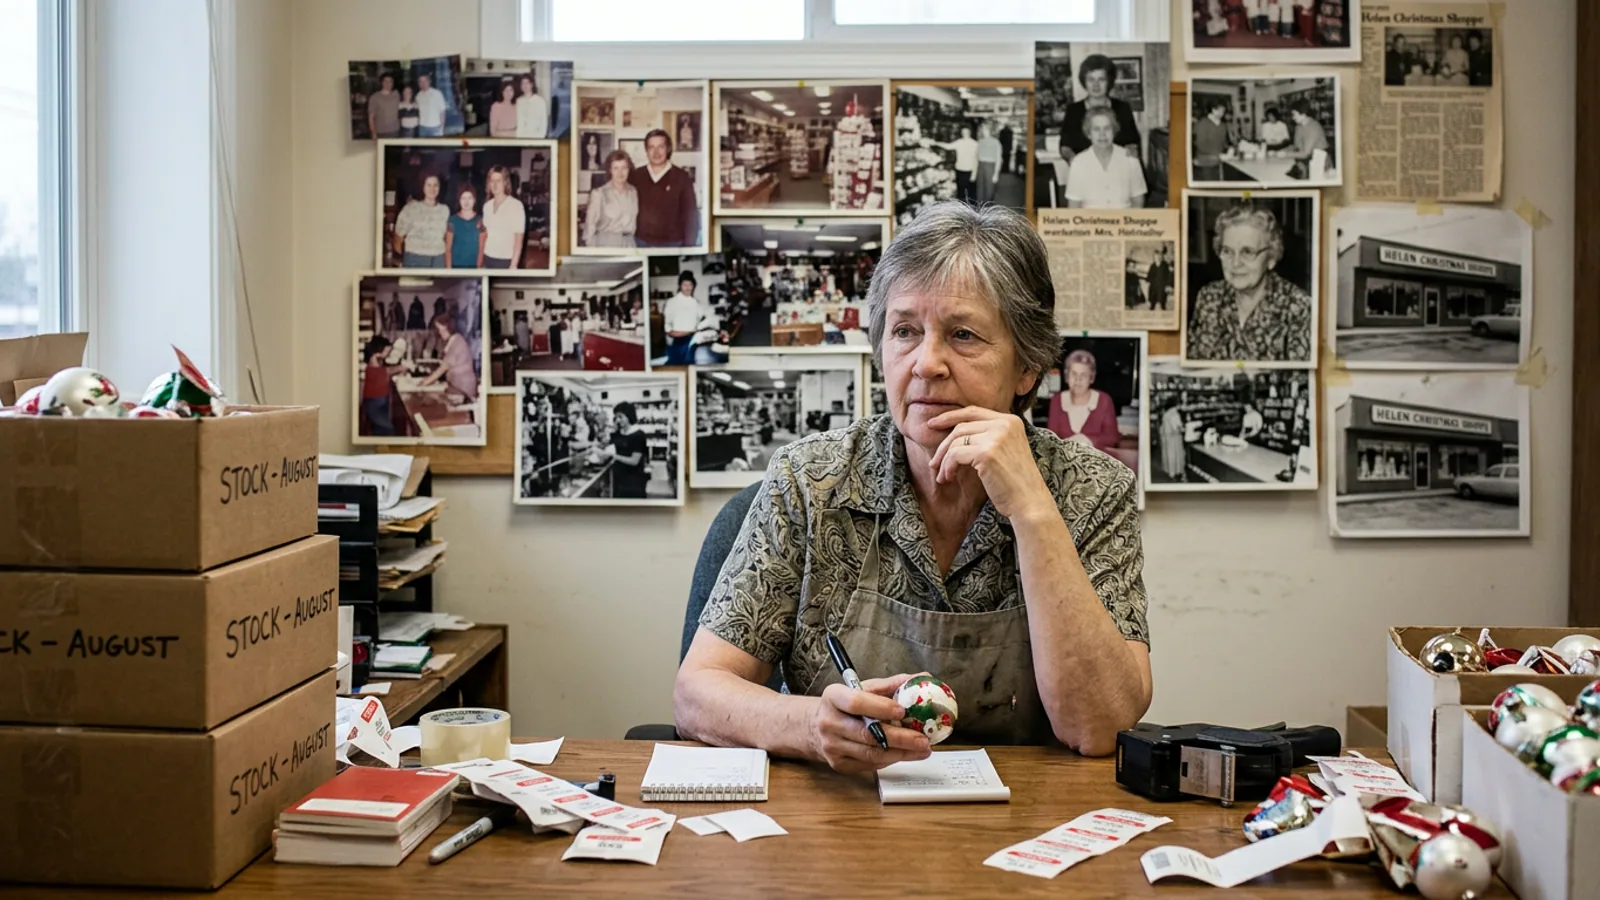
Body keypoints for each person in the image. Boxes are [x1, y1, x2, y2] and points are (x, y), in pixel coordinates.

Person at [673, 201, 1151, 767]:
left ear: (1027, 367)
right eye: (905, 331)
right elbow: (697, 694)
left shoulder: (1093, 490)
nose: (926, 363)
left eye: (964, 335)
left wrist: (1033, 511)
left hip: (1026, 825)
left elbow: (1100, 726)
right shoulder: (810, 482)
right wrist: (809, 726)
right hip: (841, 821)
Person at [1186, 203, 1313, 363]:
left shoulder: (1299, 307)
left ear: (1271, 258)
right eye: (1227, 251)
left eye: (1248, 252)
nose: (1236, 263)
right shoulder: (1208, 297)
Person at [1060, 55, 1141, 160]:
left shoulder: (1123, 109)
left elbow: (1132, 143)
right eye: (1091, 79)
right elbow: (1065, 147)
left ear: (1109, 82)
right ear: (1084, 82)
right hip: (1085, 169)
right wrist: (1076, 163)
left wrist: (1130, 154)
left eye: (1101, 79)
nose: (1096, 85)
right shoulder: (1073, 111)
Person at [1047, 349, 1122, 461]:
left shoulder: (1104, 400)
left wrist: (1088, 440)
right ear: (1067, 376)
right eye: (1074, 374)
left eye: (1084, 375)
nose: (1078, 379)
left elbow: (1113, 437)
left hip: (1099, 465)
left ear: (1091, 378)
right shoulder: (1057, 400)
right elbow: (1050, 439)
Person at [629, 129, 700, 248]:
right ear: (646, 150)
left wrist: (689, 246)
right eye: (651, 147)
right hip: (641, 242)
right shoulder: (636, 176)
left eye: (660, 147)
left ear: (668, 149)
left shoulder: (682, 177)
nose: (656, 152)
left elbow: (690, 215)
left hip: (672, 244)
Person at [1065, 108, 1147, 209]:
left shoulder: (1130, 159)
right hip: (1090, 222)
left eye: (1107, 128)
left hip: (1124, 222)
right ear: (1089, 134)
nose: (1102, 134)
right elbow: (1074, 207)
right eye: (1096, 129)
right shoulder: (1078, 163)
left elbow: (1138, 202)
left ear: (1114, 131)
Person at [584, 150, 639, 249]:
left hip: (629, 244)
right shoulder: (599, 193)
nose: (620, 173)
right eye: (616, 168)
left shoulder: (633, 192)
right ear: (610, 170)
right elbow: (589, 229)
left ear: (629, 169)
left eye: (624, 168)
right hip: (606, 244)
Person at [418, 311, 478, 402]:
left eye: (441, 330)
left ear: (449, 328)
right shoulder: (452, 341)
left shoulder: (457, 343)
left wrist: (423, 383)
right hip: (456, 386)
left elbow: (443, 368)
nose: (439, 332)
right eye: (438, 330)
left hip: (463, 389)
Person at [393, 174, 449, 268]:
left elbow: (446, 237)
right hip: (415, 258)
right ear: (423, 187)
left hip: (438, 259)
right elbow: (398, 237)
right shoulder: (411, 208)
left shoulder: (445, 210)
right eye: (429, 185)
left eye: (435, 185)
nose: (432, 188)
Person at [599, 401, 650, 499]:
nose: (617, 420)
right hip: (618, 478)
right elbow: (608, 445)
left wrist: (613, 456)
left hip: (634, 481)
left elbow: (634, 461)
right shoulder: (618, 433)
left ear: (629, 416)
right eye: (616, 417)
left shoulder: (638, 435)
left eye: (620, 417)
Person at [482, 165, 526, 269]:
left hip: (505, 261)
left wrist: (513, 265)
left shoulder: (516, 205)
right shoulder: (487, 206)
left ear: (505, 182)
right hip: (487, 258)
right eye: (492, 181)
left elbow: (518, 241)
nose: (495, 185)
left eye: (499, 181)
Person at [662, 271, 708, 365]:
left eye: (690, 284)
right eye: (684, 284)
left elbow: (701, 321)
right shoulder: (671, 302)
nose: (687, 288)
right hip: (677, 342)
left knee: (691, 367)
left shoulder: (696, 303)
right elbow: (668, 328)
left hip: (693, 340)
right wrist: (681, 333)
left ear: (694, 286)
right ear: (680, 286)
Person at [361, 336, 398, 436]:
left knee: (382, 428)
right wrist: (404, 367)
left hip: (377, 401)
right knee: (387, 430)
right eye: (386, 351)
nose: (388, 353)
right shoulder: (373, 365)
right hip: (374, 402)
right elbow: (387, 371)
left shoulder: (376, 362)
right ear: (378, 352)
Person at [935, 125, 980, 204]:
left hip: (969, 170)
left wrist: (974, 174)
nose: (964, 134)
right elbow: (948, 146)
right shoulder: (959, 142)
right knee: (960, 192)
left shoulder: (975, 144)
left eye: (966, 132)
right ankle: (961, 210)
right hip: (959, 170)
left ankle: (972, 211)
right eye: (963, 132)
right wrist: (936, 143)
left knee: (970, 194)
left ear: (969, 133)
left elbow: (976, 160)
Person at [445, 185, 486, 269]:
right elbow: (448, 249)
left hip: (474, 268)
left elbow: (481, 249)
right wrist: (448, 270)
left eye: (470, 198)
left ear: (474, 200)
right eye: (463, 198)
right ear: (459, 200)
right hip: (456, 267)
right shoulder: (452, 221)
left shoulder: (480, 221)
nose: (466, 202)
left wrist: (479, 269)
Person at [1192, 98, 1229, 183]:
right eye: (1220, 110)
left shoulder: (1223, 125)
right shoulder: (1202, 124)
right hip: (1204, 164)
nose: (1222, 112)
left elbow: (1223, 143)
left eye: (1223, 110)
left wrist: (1229, 149)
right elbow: (1201, 145)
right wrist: (1218, 155)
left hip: (1218, 163)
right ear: (1213, 109)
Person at [1286, 102, 1329, 175]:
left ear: (1303, 114)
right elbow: (1297, 146)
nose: (1293, 117)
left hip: (1319, 162)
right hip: (1304, 161)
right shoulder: (1298, 126)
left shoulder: (1313, 127)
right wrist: (1283, 151)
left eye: (1294, 114)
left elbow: (1305, 153)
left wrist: (1285, 154)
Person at [975, 124, 1003, 205]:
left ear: (989, 131)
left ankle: (988, 208)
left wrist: (996, 174)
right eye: (982, 129)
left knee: (989, 190)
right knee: (979, 188)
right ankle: (980, 207)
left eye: (985, 129)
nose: (983, 131)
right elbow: (977, 155)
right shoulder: (980, 141)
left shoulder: (995, 142)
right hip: (980, 166)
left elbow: (998, 159)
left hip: (990, 166)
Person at [366, 73, 401, 139]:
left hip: (395, 131)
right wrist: (373, 132)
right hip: (380, 132)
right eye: (385, 81)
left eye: (390, 81)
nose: (388, 83)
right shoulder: (375, 97)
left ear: (393, 83)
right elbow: (371, 117)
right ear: (382, 83)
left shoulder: (396, 95)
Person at [414, 72, 448, 137]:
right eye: (420, 81)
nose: (423, 84)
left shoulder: (437, 93)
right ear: (418, 84)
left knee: (434, 147)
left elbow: (443, 112)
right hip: (422, 127)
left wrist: (442, 129)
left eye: (425, 81)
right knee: (423, 147)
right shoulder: (418, 96)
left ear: (429, 82)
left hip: (435, 128)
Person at [515, 73, 548, 139]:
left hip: (536, 138)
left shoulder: (540, 101)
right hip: (520, 138)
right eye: (523, 83)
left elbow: (543, 122)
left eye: (527, 83)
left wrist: (540, 137)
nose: (525, 86)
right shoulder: (518, 101)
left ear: (532, 84)